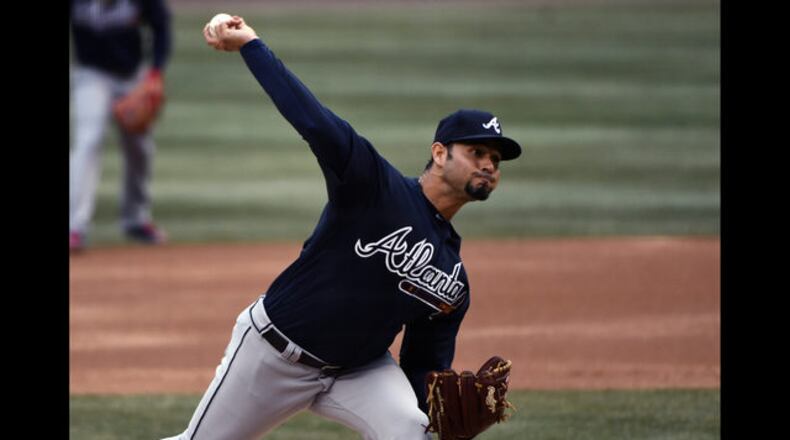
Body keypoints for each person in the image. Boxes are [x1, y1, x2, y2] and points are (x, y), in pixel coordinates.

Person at [162, 15, 522, 440]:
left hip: (359, 370)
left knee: (414, 432)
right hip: (275, 354)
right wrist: (251, 45)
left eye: (495, 160)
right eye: (477, 152)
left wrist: (439, 419)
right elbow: (314, 122)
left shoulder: (451, 279)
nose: (488, 165)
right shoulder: (374, 184)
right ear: (440, 153)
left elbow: (424, 364)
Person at [69, 0, 172, 252]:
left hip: (133, 75)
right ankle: (74, 226)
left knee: (140, 148)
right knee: (88, 141)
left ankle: (135, 220)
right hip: (91, 74)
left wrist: (155, 73)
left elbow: (161, 26)